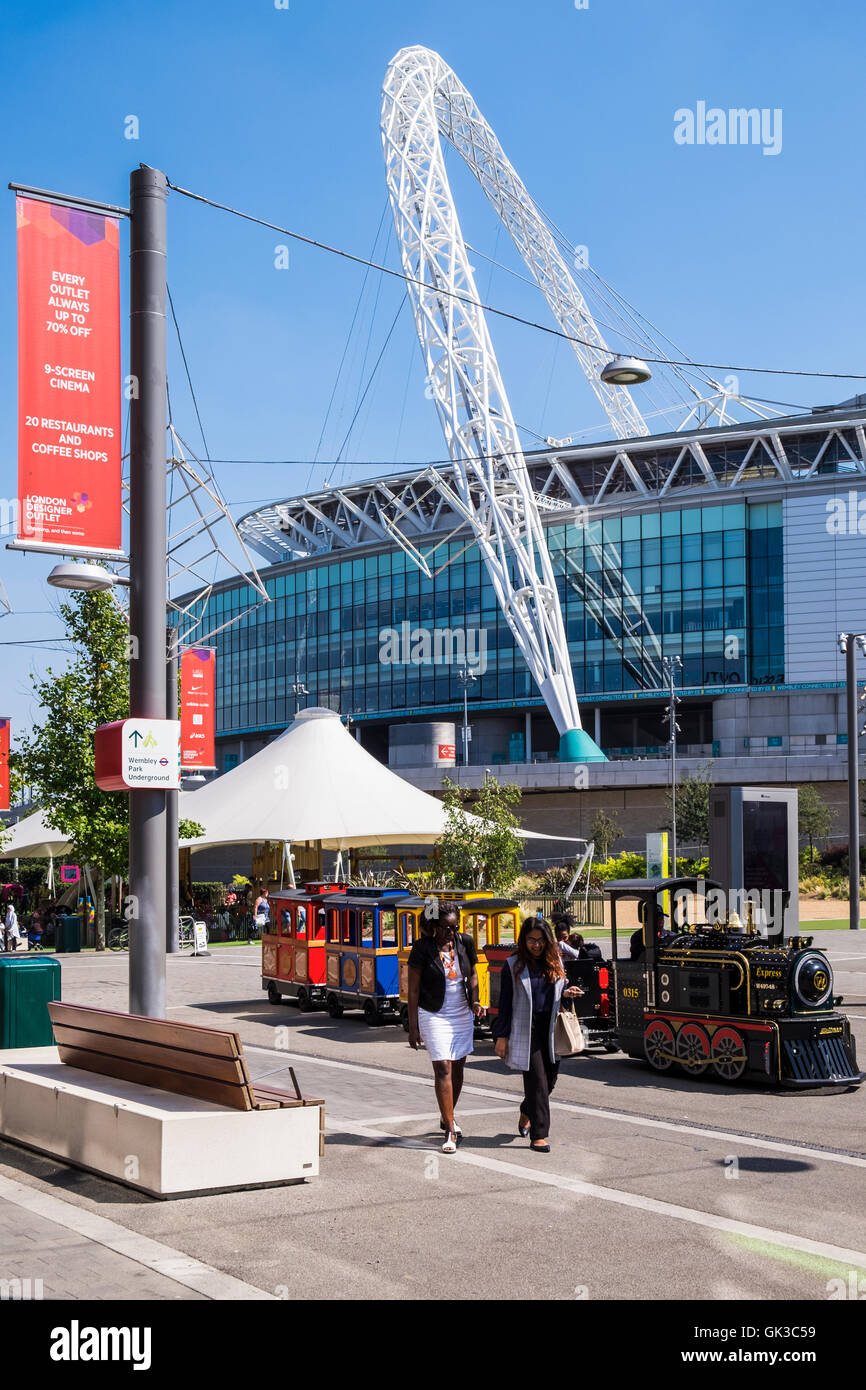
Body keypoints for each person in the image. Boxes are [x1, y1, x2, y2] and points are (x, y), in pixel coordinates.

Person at [491, 917, 582, 1153]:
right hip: (525, 1028)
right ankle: (539, 1135)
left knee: (549, 1081)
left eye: (541, 940)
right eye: (531, 940)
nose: (536, 945)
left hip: (550, 1028)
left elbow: (558, 994)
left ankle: (527, 1109)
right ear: (523, 940)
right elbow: (505, 1003)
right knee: (537, 1081)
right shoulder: (513, 965)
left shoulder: (556, 962)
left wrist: (568, 992)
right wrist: (501, 1036)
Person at [407, 902, 484, 1154]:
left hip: (461, 1012)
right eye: (446, 928)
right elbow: (414, 989)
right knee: (443, 1067)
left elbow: (472, 974)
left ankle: (446, 1113)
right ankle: (451, 1128)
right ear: (433, 927)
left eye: (455, 927)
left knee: (458, 1067)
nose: (452, 932)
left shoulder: (465, 942)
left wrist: (475, 1000)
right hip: (433, 1013)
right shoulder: (422, 948)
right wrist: (412, 1026)